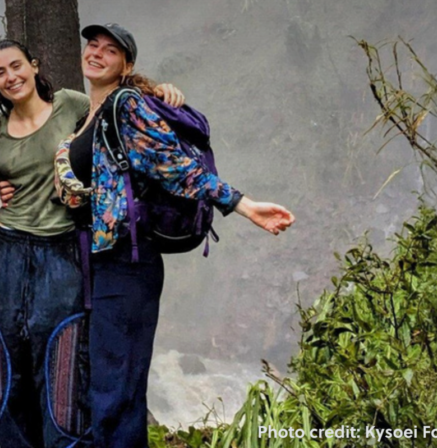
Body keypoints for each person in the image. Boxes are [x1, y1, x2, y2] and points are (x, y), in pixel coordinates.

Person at [0, 39, 184, 448]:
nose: (10, 77)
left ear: (34, 65)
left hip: (58, 253)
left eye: (16, 66)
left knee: (56, 372)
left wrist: (158, 90)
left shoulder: (70, 105)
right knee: (0, 375)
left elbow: (115, 103)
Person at [54, 23, 295, 447]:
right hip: (98, 262)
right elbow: (79, 193)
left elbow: (174, 166)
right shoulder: (84, 118)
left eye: (110, 50)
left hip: (128, 265)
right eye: (92, 45)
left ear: (126, 65)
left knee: (117, 391)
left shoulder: (125, 105)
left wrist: (241, 204)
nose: (96, 53)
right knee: (106, 386)